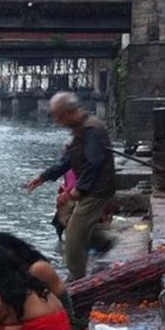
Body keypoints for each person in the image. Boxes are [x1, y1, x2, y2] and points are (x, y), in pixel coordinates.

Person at [26, 92, 116, 281]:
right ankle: (102, 242)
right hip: (92, 188)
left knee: (74, 235)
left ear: (69, 112)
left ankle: (76, 278)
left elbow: (94, 162)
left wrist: (79, 189)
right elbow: (68, 160)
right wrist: (44, 177)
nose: (58, 121)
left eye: (59, 116)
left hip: (97, 189)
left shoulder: (91, 129)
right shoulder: (80, 129)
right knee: (72, 222)